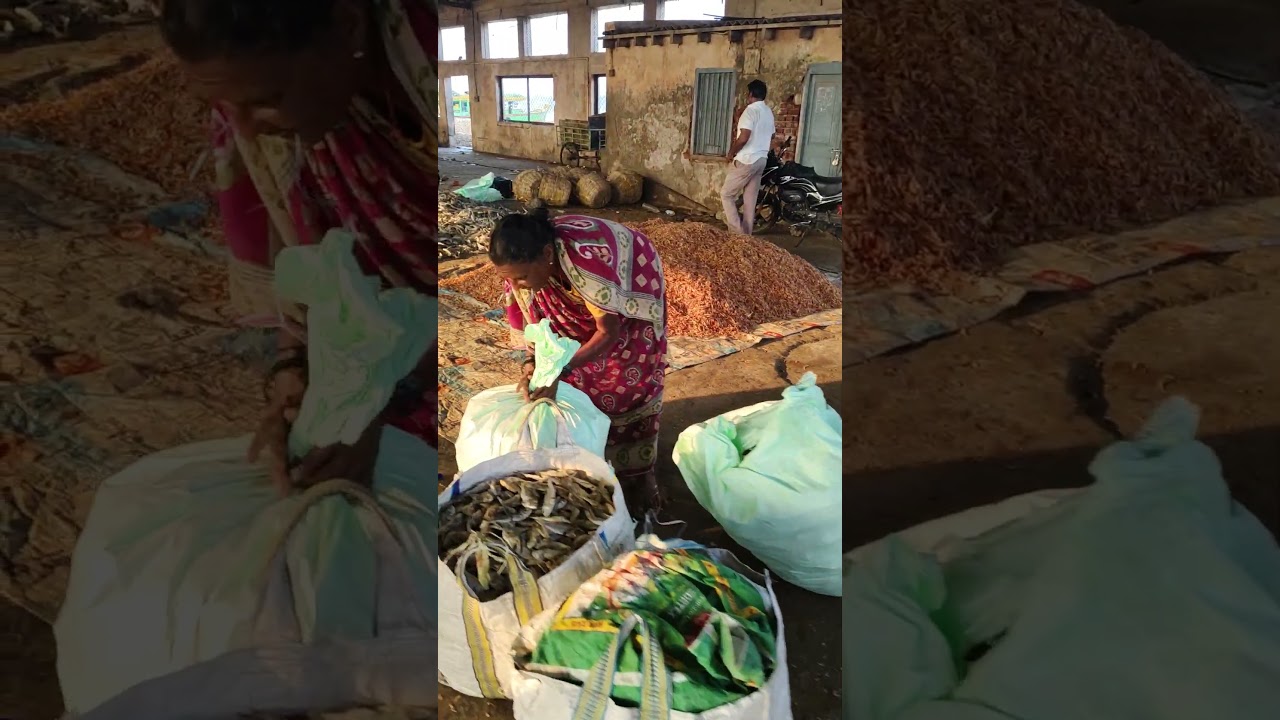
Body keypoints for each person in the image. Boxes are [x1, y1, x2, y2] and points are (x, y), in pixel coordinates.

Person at [159, 0, 438, 493]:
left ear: (348, 27)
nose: (245, 128)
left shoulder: (436, 61)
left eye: (269, 98)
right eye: (226, 108)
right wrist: (295, 369)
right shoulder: (262, 120)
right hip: (390, 368)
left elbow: (478, 291)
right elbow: (310, 258)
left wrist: (390, 396)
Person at [489, 208, 668, 515]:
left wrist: (563, 367)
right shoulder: (519, 273)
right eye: (510, 279)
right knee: (579, 389)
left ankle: (643, 475)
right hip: (587, 301)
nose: (516, 286)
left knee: (629, 384)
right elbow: (537, 331)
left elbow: (608, 331)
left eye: (521, 278)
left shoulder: (587, 264)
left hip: (628, 299)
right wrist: (534, 365)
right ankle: (598, 461)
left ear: (547, 254)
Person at [720, 78, 776, 236]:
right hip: (761, 160)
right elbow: (771, 134)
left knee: (726, 194)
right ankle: (747, 237)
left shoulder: (750, 111)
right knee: (750, 202)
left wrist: (731, 153)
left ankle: (738, 234)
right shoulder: (768, 112)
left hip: (746, 160)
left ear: (750, 94)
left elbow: (744, 137)